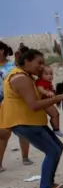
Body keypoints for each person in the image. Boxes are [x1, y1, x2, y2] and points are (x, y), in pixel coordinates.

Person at [0, 49, 63, 188]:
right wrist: (58, 97)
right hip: (23, 122)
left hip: (32, 121)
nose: (41, 66)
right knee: (52, 151)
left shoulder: (26, 77)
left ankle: (49, 184)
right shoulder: (20, 78)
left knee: (58, 147)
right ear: (27, 61)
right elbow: (33, 104)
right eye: (39, 63)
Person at [0, 41, 31, 171]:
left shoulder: (13, 65)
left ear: (4, 51)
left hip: (15, 100)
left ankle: (25, 157)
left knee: (22, 129)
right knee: (3, 133)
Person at [35, 65, 63, 137]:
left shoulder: (47, 82)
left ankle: (56, 128)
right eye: (46, 74)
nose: (50, 76)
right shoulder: (41, 82)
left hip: (48, 102)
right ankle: (56, 129)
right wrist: (47, 92)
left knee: (55, 114)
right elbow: (40, 89)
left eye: (51, 74)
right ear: (40, 75)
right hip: (45, 102)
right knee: (54, 114)